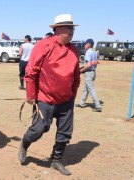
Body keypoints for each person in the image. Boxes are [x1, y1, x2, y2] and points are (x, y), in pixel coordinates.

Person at [18, 14, 80, 176]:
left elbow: (76, 75)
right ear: (57, 29)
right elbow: (31, 71)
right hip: (44, 98)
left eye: (72, 28)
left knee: (65, 133)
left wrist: (72, 94)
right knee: (39, 129)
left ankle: (56, 160)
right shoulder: (43, 45)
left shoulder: (73, 49)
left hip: (66, 100)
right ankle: (24, 144)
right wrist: (31, 94)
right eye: (68, 28)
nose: (71, 31)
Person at [75, 39, 102, 112]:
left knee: (91, 90)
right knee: (86, 89)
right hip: (92, 72)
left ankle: (98, 106)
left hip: (89, 73)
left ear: (89, 45)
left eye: (85, 44)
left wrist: (80, 71)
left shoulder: (88, 52)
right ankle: (82, 103)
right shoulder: (94, 52)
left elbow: (88, 65)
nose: (84, 45)